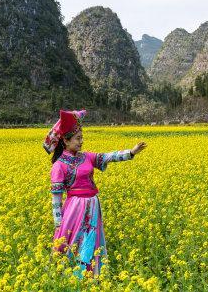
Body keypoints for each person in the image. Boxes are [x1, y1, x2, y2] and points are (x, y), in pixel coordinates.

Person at [43, 109, 147, 279]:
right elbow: (56, 198)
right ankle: (71, 277)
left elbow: (108, 157)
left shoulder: (86, 157)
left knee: (91, 240)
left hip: (92, 206)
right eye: (78, 139)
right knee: (73, 241)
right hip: (74, 209)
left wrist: (131, 152)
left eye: (82, 138)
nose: (81, 142)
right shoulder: (59, 165)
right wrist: (58, 223)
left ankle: (91, 276)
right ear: (66, 140)